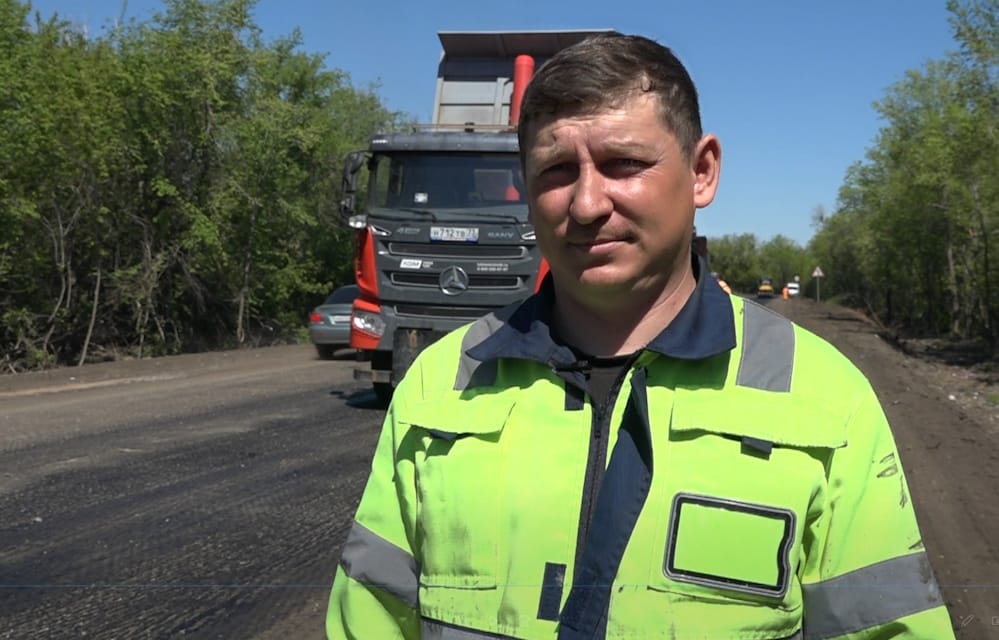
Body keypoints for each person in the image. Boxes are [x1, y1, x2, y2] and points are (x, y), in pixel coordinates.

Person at [325, 33, 955, 639]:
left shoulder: (826, 397)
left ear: (702, 171)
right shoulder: (439, 385)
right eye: (556, 170)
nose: (586, 204)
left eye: (624, 164)